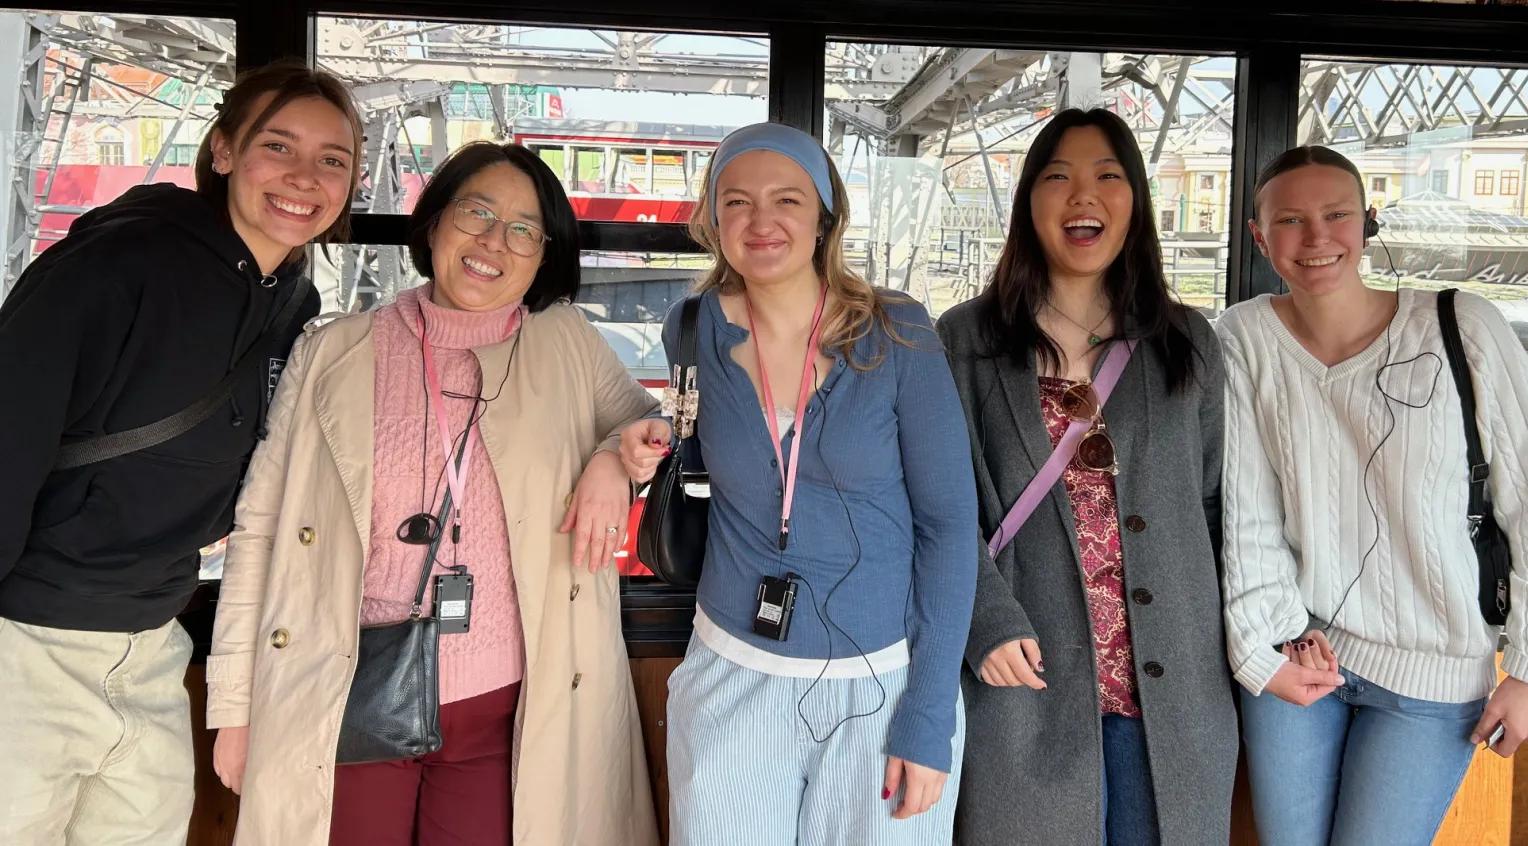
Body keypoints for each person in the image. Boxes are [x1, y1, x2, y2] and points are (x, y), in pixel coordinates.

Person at [206, 141, 660, 846]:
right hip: (350, 693)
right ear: (435, 222)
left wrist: (611, 459)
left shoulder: (567, 343)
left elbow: (650, 433)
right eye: (476, 213)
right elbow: (260, 527)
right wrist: (233, 707)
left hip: (504, 710)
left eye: (522, 230)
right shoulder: (333, 350)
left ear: (545, 254)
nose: (492, 243)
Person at [0, 61, 359, 844]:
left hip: (157, 644)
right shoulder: (114, 266)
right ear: (223, 151)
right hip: (25, 641)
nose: (306, 177)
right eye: (279, 146)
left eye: (334, 159)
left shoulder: (295, 305)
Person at [619, 121, 977, 845]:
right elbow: (676, 436)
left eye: (787, 199)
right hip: (732, 671)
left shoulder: (898, 331)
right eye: (736, 201)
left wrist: (930, 714)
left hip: (881, 685)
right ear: (712, 218)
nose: (761, 221)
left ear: (824, 216)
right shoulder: (691, 328)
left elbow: (947, 528)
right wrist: (614, 454)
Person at [1218, 144, 1528, 846]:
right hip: (1302, 656)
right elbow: (1246, 514)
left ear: (1367, 222)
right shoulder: (1243, 335)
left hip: (1434, 675)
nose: (1316, 238)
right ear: (1260, 238)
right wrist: (1270, 647)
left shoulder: (1462, 327)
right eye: (1290, 220)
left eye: (1336, 215)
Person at [935, 108, 1236, 846]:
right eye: (1058, 178)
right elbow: (939, 507)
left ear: (1135, 200)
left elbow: (1216, 501)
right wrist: (985, 625)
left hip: (1170, 684)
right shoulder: (966, 341)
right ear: (1028, 202)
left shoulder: (1184, 338)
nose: (1083, 197)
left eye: (1108, 176)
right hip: (1026, 674)